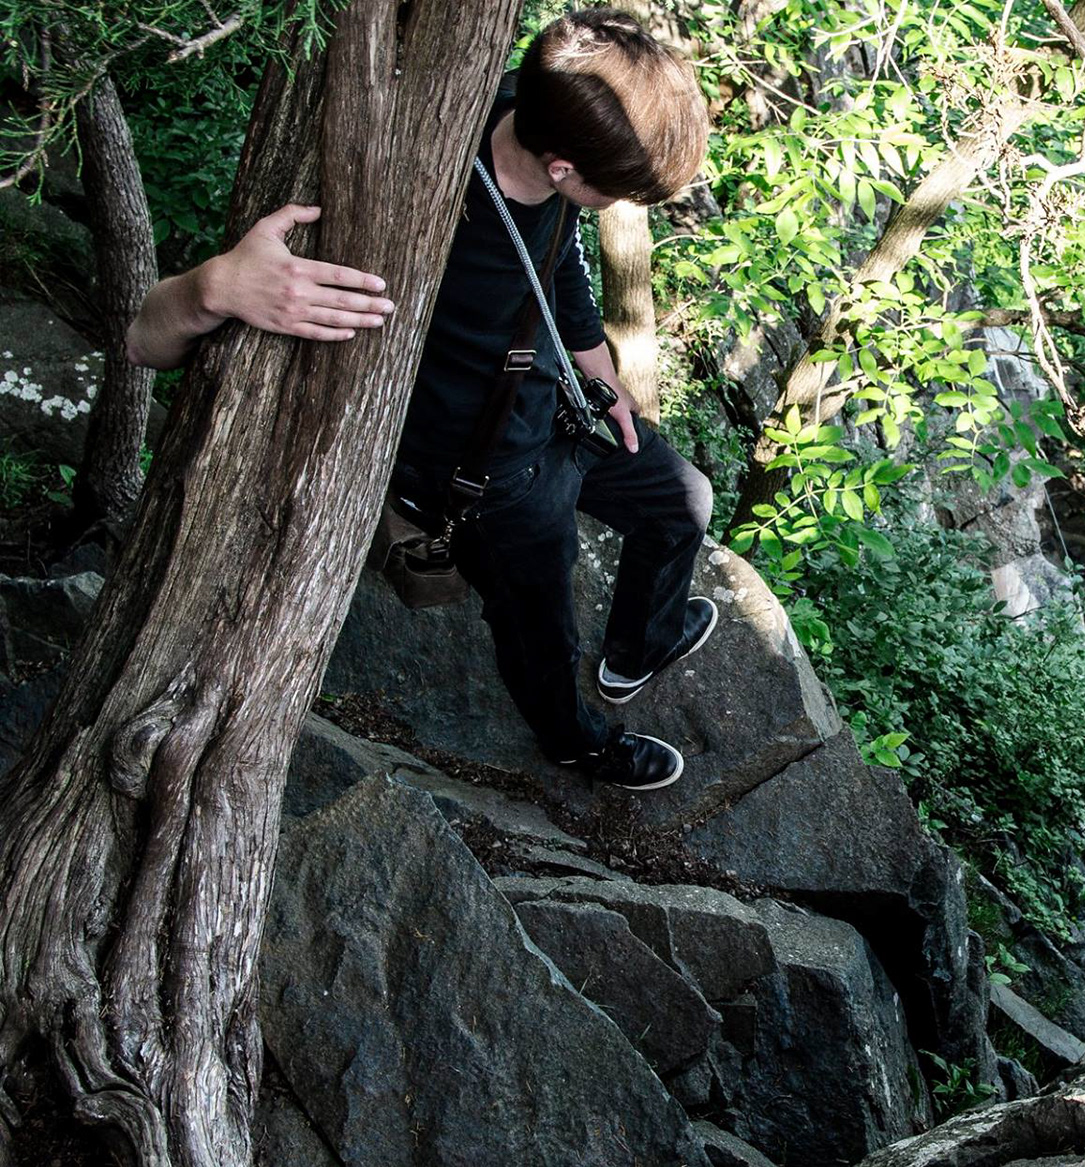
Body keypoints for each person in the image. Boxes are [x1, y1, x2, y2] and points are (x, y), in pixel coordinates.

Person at [127, 10, 716, 791]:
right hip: (489, 475)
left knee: (683, 501)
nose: (617, 203)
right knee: (541, 633)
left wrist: (600, 376)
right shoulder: (416, 201)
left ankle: (638, 649)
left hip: (553, 413)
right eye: (616, 191)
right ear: (564, 166)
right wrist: (215, 288)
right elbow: (145, 341)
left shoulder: (529, 107)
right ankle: (577, 744)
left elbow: (558, 259)